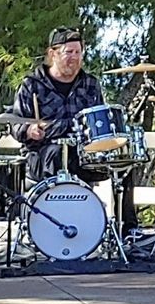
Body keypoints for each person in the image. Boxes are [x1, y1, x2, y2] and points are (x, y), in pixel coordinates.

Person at [9, 27, 138, 233]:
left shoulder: (90, 84)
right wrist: (29, 130)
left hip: (84, 153)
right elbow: (15, 124)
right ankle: (55, 229)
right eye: (69, 52)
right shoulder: (31, 85)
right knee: (56, 154)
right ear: (53, 54)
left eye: (78, 53)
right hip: (43, 154)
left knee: (124, 161)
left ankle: (127, 229)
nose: (75, 58)